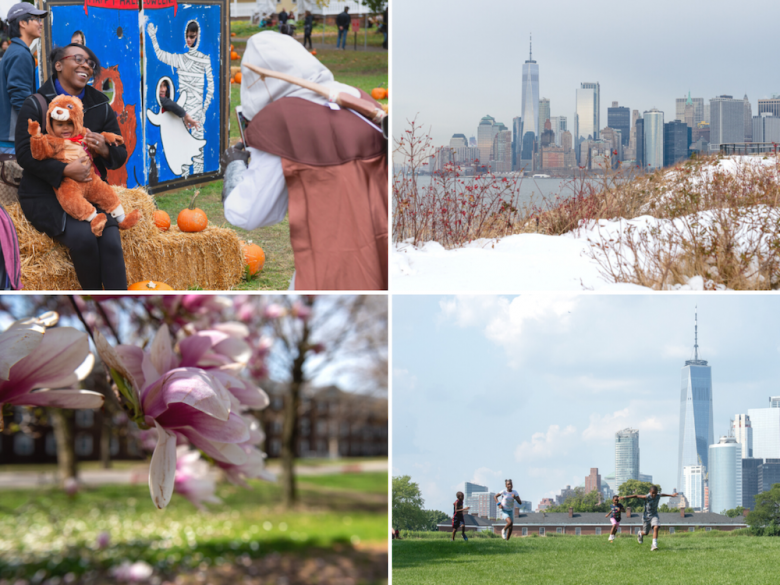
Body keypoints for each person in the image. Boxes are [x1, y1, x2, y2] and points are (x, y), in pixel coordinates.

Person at [221, 32, 387, 290]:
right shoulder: (359, 97)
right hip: (382, 253)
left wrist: (235, 164)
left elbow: (246, 213)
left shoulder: (282, 121)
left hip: (330, 266)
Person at [15, 44, 130, 290]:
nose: (86, 65)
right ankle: (93, 305)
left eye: (91, 64)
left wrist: (105, 149)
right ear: (58, 65)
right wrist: (64, 171)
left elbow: (120, 154)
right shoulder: (36, 104)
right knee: (84, 239)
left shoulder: (99, 103)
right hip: (45, 194)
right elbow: (24, 154)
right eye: (79, 59)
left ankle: (117, 301)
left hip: (89, 191)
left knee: (111, 241)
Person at [146, 19, 213, 176]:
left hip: (197, 110)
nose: (189, 40)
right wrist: (153, 38)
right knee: (183, 146)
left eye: (193, 36)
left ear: (198, 36)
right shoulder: (180, 59)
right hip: (182, 110)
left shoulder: (204, 59)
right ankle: (184, 178)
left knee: (198, 148)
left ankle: (197, 178)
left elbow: (210, 86)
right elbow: (161, 55)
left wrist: (204, 109)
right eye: (187, 37)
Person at [0, 4, 49, 153]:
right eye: (36, 19)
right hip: (13, 141)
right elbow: (20, 97)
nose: (40, 23)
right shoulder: (20, 54)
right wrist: (35, 129)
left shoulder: (15, 51)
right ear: (22, 23)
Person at [620, 486, 677, 551]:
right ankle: (640, 533)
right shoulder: (647, 497)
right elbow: (636, 496)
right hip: (646, 517)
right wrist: (624, 497)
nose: (654, 495)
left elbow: (663, 494)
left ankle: (654, 545)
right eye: (652, 493)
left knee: (656, 527)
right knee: (646, 532)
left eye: (655, 493)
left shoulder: (658, 495)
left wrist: (671, 495)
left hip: (654, 515)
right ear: (649, 492)